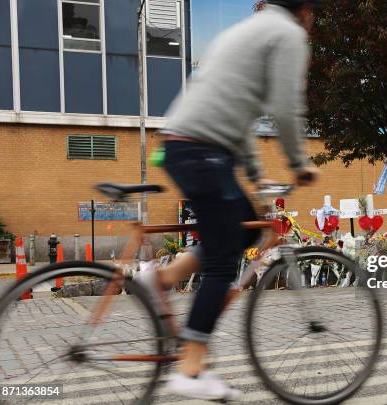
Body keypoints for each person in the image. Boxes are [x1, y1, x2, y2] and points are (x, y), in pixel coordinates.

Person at [141, 0, 322, 400]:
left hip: (189, 146)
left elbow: (238, 121)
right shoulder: (288, 35)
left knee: (241, 229)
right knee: (224, 260)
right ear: (306, 11)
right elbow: (287, 108)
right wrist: (299, 163)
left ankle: (163, 278)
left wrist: (256, 178)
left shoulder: (243, 31)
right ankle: (189, 370)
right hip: (202, 150)